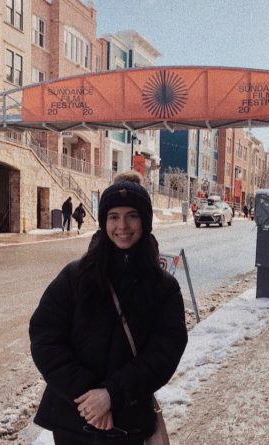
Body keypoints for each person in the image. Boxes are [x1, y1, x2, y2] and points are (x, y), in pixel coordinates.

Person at [29, 172, 188, 445]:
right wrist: (89, 396)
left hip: (127, 421)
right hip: (73, 417)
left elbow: (164, 353)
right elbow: (45, 337)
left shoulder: (163, 288)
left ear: (145, 221)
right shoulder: (75, 276)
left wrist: (111, 395)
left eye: (132, 216)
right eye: (113, 216)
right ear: (104, 222)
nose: (122, 225)